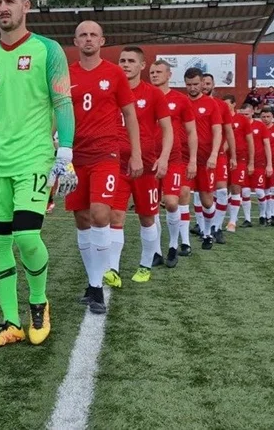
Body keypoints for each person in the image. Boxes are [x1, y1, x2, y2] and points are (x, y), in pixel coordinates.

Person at [0, 0, 75, 347]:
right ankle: (10, 322)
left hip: (34, 158)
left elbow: (62, 103)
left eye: (10, 1)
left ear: (26, 6)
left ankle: (39, 303)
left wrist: (66, 151)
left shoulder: (48, 50)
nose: (3, 8)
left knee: (26, 236)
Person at [66, 20, 142, 314]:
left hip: (106, 154)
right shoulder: (66, 74)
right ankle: (92, 283)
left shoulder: (114, 73)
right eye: (83, 35)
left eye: (93, 35)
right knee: (82, 219)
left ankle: (97, 286)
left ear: (102, 41)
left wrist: (135, 154)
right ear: (76, 41)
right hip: (75, 157)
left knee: (100, 213)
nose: (88, 39)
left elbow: (130, 114)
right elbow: (57, 112)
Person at [111, 46, 172, 284]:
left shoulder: (153, 94)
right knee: (115, 216)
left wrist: (163, 158)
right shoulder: (111, 91)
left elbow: (167, 129)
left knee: (147, 217)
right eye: (122, 60)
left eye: (131, 61)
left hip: (146, 166)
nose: (125, 65)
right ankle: (112, 269)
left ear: (142, 65)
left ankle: (145, 264)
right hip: (116, 164)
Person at [148, 59, 197, 268]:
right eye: (152, 72)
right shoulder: (144, 97)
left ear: (169, 75)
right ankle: (156, 251)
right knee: (150, 207)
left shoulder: (181, 100)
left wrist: (192, 160)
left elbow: (191, 131)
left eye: (159, 72)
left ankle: (173, 245)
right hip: (149, 160)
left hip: (174, 160)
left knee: (171, 202)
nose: (154, 75)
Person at [184, 68, 224, 249]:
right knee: (182, 197)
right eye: (189, 84)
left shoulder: (211, 104)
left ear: (202, 83)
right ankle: (184, 242)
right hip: (184, 159)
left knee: (207, 200)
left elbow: (217, 131)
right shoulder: (182, 102)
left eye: (195, 84)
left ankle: (208, 231)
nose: (192, 88)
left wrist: (214, 154)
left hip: (205, 159)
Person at [200, 73, 235, 243]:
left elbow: (228, 132)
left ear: (213, 85)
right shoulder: (189, 102)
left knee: (221, 191)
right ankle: (202, 227)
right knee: (200, 193)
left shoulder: (221, 105)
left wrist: (232, 155)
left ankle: (217, 227)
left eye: (208, 83)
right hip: (198, 156)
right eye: (203, 83)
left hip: (218, 155)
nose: (205, 86)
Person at [222, 95, 254, 232]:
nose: (224, 106)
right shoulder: (220, 118)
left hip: (239, 159)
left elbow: (250, 141)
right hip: (223, 158)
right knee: (222, 190)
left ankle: (232, 221)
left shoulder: (242, 120)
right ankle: (218, 221)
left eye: (227, 104)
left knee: (236, 187)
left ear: (234, 104)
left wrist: (251, 162)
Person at [245, 105, 274, 226]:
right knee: (245, 191)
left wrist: (269, 164)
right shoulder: (239, 125)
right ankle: (247, 219)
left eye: (247, 114)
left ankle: (263, 215)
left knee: (259, 192)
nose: (245, 116)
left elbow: (267, 145)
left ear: (252, 112)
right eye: (242, 114)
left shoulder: (260, 126)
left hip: (259, 163)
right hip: (244, 163)